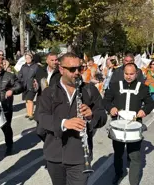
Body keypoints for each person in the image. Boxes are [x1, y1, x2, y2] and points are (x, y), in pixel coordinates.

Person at [37, 52, 107, 185]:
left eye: (79, 68)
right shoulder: (49, 92)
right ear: (61, 69)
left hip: (79, 156)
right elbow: (41, 117)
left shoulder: (89, 89)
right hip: (55, 154)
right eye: (72, 69)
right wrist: (64, 123)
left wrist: (92, 115)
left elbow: (102, 116)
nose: (77, 72)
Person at [103, 63, 154, 185]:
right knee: (118, 154)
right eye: (126, 73)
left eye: (131, 74)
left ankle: (134, 182)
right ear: (123, 73)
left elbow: (150, 103)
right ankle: (118, 174)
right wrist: (110, 108)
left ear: (136, 74)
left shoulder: (143, 88)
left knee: (135, 156)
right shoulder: (115, 86)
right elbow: (105, 100)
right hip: (118, 125)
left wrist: (144, 110)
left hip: (134, 126)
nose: (129, 76)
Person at [17, 52, 39, 120]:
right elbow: (20, 75)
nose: (27, 59)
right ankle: (28, 113)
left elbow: (38, 76)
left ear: (31, 58)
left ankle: (31, 114)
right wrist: (20, 81)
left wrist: (36, 81)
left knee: (30, 99)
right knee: (26, 100)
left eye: (29, 58)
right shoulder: (23, 66)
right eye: (26, 58)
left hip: (32, 85)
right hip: (24, 86)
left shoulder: (36, 66)